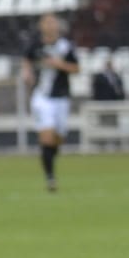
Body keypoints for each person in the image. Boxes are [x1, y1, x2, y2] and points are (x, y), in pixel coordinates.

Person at [21, 13, 79, 192]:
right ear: (41, 26)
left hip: (61, 97)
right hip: (42, 97)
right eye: (47, 22)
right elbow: (26, 60)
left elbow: (76, 68)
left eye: (53, 22)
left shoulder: (65, 46)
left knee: (58, 137)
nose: (50, 26)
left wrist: (59, 64)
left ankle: (50, 160)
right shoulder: (35, 45)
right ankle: (50, 178)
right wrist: (27, 72)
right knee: (46, 134)